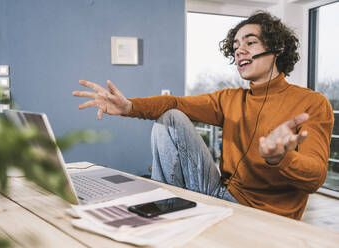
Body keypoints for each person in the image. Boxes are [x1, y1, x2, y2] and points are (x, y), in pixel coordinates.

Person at [72, 11, 333, 220]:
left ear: (276, 48)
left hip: (268, 215)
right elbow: (174, 103)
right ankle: (165, 209)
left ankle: (166, 213)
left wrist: (281, 158)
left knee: (171, 118)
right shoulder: (230, 99)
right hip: (223, 194)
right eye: (235, 46)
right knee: (171, 116)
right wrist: (128, 107)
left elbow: (317, 177)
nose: (239, 50)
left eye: (250, 43)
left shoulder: (312, 103)